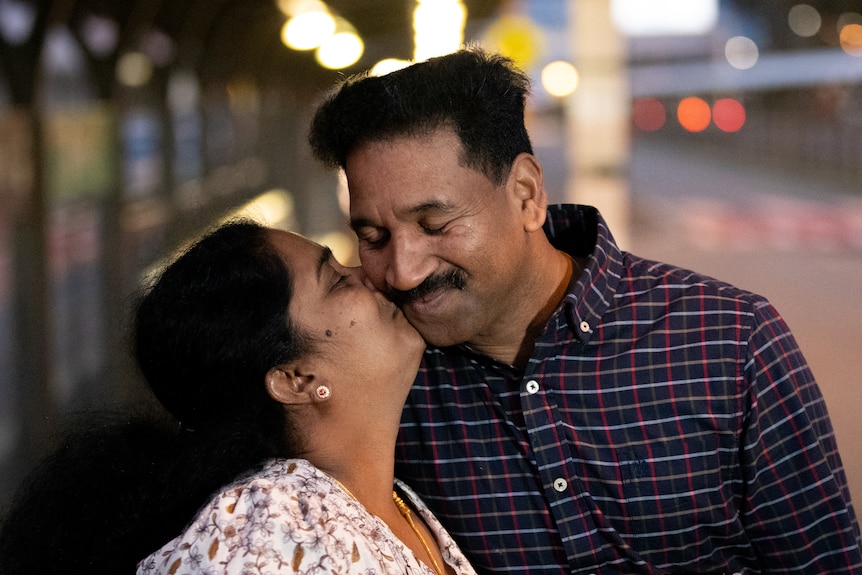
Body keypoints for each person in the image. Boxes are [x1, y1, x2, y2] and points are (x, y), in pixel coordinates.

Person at [307, 46, 862, 574]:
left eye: (436, 225)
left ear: (526, 193)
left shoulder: (729, 339)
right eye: (375, 236)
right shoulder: (383, 383)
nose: (403, 271)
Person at [0, 220, 477, 575]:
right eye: (335, 280)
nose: (369, 275)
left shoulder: (389, 498)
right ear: (295, 378)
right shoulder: (264, 528)